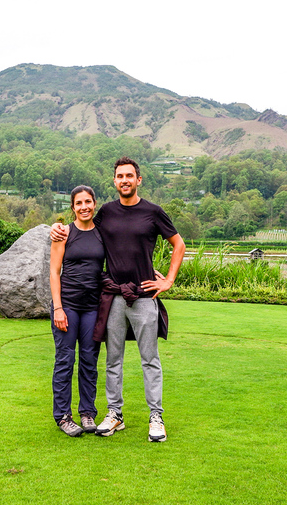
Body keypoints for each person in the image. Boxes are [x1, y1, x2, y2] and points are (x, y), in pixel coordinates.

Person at [51, 157, 186, 442]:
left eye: (129, 176)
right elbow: (81, 226)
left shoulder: (153, 212)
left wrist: (169, 280)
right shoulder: (106, 213)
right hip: (112, 298)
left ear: (138, 180)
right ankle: (115, 414)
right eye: (119, 176)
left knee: (149, 359)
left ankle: (156, 416)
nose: (124, 180)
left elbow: (179, 244)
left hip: (144, 296)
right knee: (113, 359)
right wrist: (55, 228)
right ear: (114, 181)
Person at [49, 185, 104, 437]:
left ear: (94, 204)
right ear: (72, 207)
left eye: (88, 202)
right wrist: (58, 308)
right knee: (65, 360)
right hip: (67, 306)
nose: (84, 206)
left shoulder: (102, 233)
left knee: (89, 362)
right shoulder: (64, 234)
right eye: (79, 203)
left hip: (92, 307)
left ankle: (87, 413)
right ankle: (63, 416)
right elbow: (54, 271)